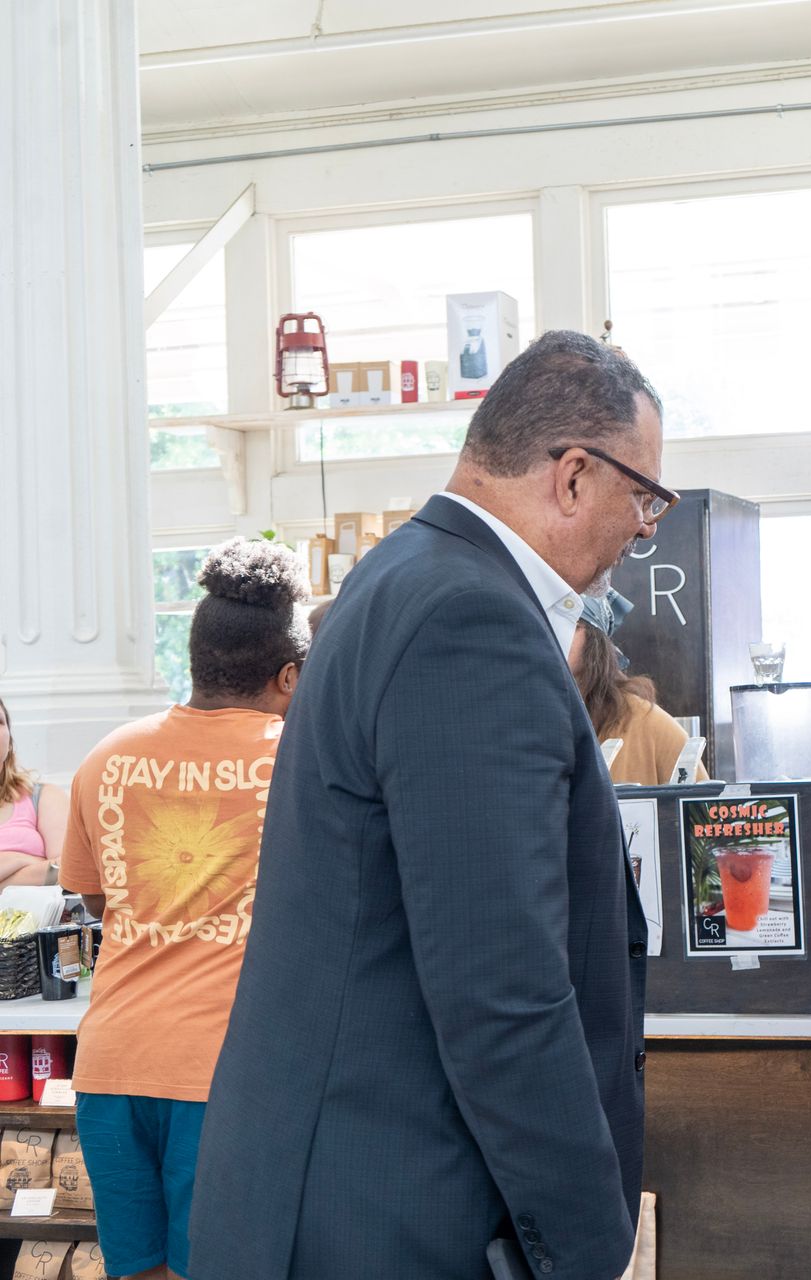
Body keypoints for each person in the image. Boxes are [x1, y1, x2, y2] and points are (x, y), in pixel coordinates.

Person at [188, 331, 673, 1280]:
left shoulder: (404, 574)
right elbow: (501, 988)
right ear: (573, 476)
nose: (645, 526)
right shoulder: (471, 620)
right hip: (391, 1209)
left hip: (339, 1187)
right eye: (642, 495)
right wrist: (590, 1244)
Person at [58, 538, 308, 1280]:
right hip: (226, 1070)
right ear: (288, 674)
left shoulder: (107, 757)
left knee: (136, 1271)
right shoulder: (301, 755)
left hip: (109, 1063)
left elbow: (99, 898)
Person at [568, 593, 705, 786]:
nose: (557, 635)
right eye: (548, 625)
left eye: (572, 626)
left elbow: (699, 812)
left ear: (595, 639)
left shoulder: (649, 724)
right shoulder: (530, 712)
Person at [0, 696, 65, 889]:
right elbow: (55, 867)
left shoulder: (44, 796)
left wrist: (11, 861)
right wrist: (30, 861)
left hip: (39, 918)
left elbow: (69, 869)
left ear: (9, 740)